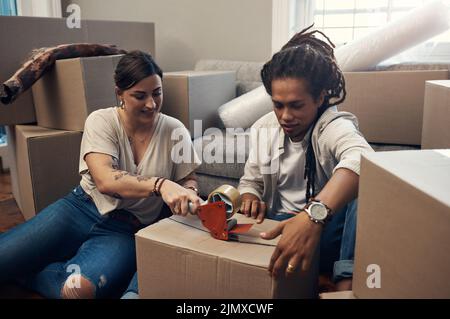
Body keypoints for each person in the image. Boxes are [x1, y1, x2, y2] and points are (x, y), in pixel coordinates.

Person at [0, 51, 202, 299]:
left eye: (157, 93)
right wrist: (161, 185)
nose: (151, 103)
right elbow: (106, 181)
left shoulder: (175, 130)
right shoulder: (101, 120)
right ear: (120, 94)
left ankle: (27, 271)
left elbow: (188, 178)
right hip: (80, 208)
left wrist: (188, 191)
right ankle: (20, 262)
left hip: (125, 229)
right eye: (140, 96)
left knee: (76, 292)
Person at [238, 25, 374, 291]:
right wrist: (249, 196)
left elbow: (361, 158)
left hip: (324, 228)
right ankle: (316, 278)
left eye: (296, 105)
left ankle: (345, 283)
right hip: (280, 223)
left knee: (366, 189)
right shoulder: (263, 128)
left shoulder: (332, 125)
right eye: (278, 105)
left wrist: (313, 215)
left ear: (320, 97)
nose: (286, 116)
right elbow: (250, 180)